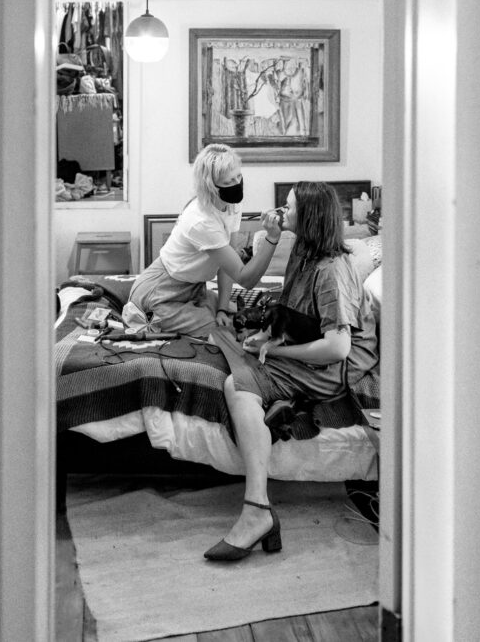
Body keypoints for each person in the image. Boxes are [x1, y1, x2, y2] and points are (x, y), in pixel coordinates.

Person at [203, 181, 378, 561]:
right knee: (226, 340)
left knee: (238, 384)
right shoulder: (302, 249)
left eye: (289, 206)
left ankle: (256, 510)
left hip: (333, 365)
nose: (282, 210)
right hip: (308, 341)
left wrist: (281, 352)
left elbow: (338, 347)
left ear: (309, 217)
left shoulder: (332, 271)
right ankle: (260, 502)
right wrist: (269, 338)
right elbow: (290, 308)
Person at [127, 143, 282, 337]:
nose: (236, 184)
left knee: (239, 316)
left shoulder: (231, 204)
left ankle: (207, 309)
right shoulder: (200, 220)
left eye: (238, 176)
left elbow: (229, 262)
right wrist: (272, 238)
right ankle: (140, 312)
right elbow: (245, 278)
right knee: (225, 333)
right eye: (227, 182)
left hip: (194, 287)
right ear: (211, 186)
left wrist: (223, 308)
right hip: (161, 291)